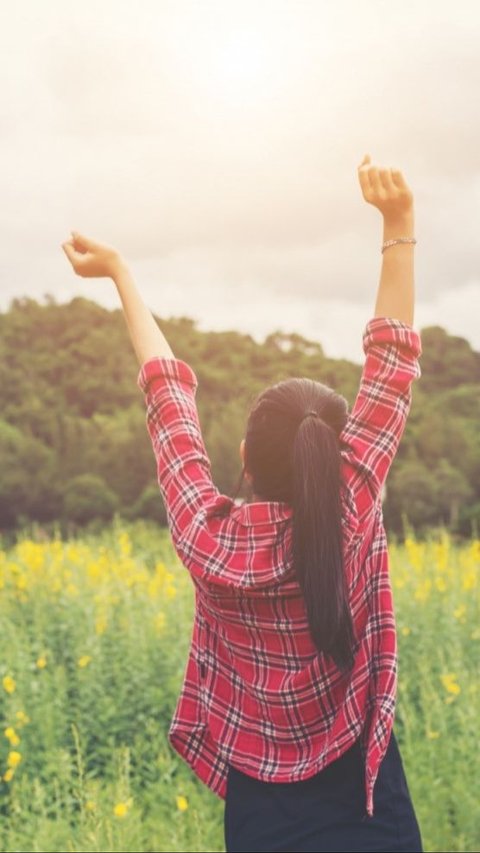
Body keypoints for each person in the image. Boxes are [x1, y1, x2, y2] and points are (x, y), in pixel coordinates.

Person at [61, 153, 424, 852]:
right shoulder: (354, 503)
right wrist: (398, 222)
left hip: (263, 813)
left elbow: (168, 398)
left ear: (246, 461)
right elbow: (392, 366)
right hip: (367, 799)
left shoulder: (207, 535)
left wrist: (122, 276)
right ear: (333, 451)